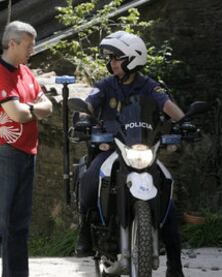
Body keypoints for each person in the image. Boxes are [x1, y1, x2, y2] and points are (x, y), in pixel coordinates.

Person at [75, 31, 185, 277]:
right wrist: (84, 120)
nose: (112, 63)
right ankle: (84, 230)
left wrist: (185, 122)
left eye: (117, 58)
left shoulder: (149, 86)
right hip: (112, 147)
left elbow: (167, 105)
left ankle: (175, 264)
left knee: (167, 188)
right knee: (90, 177)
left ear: (133, 59)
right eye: (110, 58)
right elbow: (90, 102)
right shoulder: (105, 85)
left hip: (143, 149)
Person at [0, 21, 53, 277]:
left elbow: (48, 106)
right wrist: (33, 108)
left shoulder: (26, 72)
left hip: (26, 152)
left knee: (18, 227)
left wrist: (28, 107)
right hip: (3, 151)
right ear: (12, 43)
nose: (33, 49)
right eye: (29, 45)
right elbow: (17, 114)